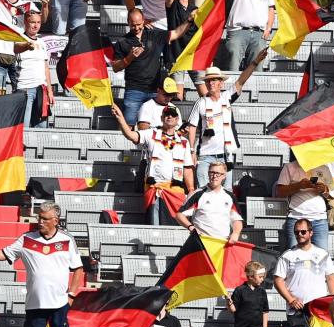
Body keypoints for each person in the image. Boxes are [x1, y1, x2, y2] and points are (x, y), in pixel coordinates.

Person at [0, 202, 84, 327]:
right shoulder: (26, 239)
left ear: (56, 221)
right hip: (35, 305)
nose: (40, 222)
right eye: (39, 217)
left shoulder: (67, 240)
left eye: (45, 219)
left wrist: (71, 296)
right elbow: (4, 254)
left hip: (60, 304)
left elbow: (78, 269)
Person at [186, 55, 267, 190]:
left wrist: (255, 62)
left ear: (221, 83)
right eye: (208, 80)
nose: (211, 83)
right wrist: (192, 151)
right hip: (205, 155)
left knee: (227, 192)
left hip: (226, 155)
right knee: (202, 191)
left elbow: (241, 81)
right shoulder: (200, 102)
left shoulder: (226, 97)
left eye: (214, 80)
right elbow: (192, 127)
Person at [111, 9, 194, 127]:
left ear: (143, 21)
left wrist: (189, 20)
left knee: (158, 124)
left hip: (155, 91)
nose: (136, 27)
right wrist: (129, 58)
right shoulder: (122, 41)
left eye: (139, 24)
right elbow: (115, 67)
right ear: (128, 22)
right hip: (134, 90)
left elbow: (176, 33)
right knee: (128, 125)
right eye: (133, 25)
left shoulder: (154, 35)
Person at [113, 103, 193, 224]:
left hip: (175, 191)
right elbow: (131, 135)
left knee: (175, 225)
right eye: (166, 115)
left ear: (177, 120)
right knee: (154, 225)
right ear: (162, 118)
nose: (169, 117)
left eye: (173, 115)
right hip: (154, 189)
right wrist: (120, 118)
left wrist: (191, 188)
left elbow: (187, 168)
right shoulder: (150, 134)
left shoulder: (183, 142)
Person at [273, 218, 334, 327]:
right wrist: (291, 299)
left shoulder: (322, 254)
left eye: (303, 232)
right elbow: (278, 280)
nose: (300, 235)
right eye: (297, 232)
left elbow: (331, 278)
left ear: (311, 233)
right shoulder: (288, 255)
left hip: (320, 311)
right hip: (297, 311)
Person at [275, 158, 334, 250]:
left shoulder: (324, 168)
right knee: (294, 254)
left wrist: (325, 190)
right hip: (296, 217)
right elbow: (279, 192)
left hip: (319, 219)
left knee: (322, 256)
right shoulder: (289, 167)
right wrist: (299, 185)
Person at [176, 161, 243, 241]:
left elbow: (237, 219)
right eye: (212, 172)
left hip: (223, 243)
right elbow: (179, 215)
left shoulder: (230, 196)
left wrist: (235, 233)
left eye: (218, 173)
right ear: (208, 174)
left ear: (224, 176)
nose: (214, 176)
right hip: (201, 242)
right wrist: (191, 227)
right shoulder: (198, 194)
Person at [165, 0, 200, 98]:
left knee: (205, 93)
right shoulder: (172, 6)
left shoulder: (196, 9)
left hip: (193, 55)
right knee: (178, 97)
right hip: (176, 54)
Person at [226, 261, 270, 327]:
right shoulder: (239, 290)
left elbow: (265, 312)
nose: (262, 279)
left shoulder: (262, 292)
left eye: (263, 277)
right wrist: (229, 302)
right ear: (250, 277)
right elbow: (233, 309)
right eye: (260, 277)